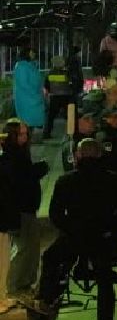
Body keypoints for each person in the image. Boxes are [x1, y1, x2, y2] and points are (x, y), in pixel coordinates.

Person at [37, 139, 117, 320]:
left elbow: (55, 214)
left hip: (74, 236)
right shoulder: (111, 180)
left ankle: (45, 303)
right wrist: (110, 230)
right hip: (101, 237)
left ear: (78, 156)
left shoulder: (67, 181)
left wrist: (72, 229)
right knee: (105, 281)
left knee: (52, 261)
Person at [1, 119, 52, 307]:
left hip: (27, 207)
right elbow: (20, 178)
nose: (25, 137)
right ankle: (15, 287)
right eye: (21, 134)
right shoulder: (10, 156)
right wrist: (40, 169)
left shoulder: (20, 153)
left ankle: (26, 283)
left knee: (32, 248)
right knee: (24, 249)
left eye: (26, 134)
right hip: (19, 209)